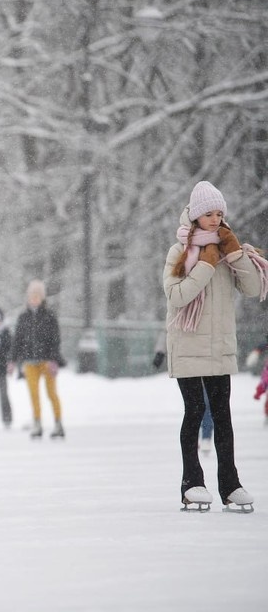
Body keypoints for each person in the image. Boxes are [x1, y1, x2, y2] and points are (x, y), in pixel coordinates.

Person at [163, 180, 268, 511]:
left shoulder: (227, 251)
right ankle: (191, 483)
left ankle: (230, 485)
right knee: (194, 412)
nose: (215, 218)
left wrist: (235, 253)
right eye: (208, 213)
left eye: (219, 213)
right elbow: (177, 295)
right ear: (195, 215)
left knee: (222, 415)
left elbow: (252, 289)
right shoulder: (180, 252)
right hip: (189, 344)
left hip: (219, 346)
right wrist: (207, 265)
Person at [9, 280, 66, 439]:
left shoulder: (49, 316)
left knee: (51, 393)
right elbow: (17, 341)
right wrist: (12, 360)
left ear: (42, 298)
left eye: (37, 296)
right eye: (31, 296)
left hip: (46, 361)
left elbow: (55, 339)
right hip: (30, 362)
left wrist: (53, 359)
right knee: (34, 394)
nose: (34, 299)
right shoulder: (23, 318)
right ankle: (37, 423)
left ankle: (58, 423)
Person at [154, 329, 213, 452]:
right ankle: (194, 439)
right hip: (187, 367)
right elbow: (168, 329)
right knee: (194, 408)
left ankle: (206, 437)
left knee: (206, 406)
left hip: (206, 364)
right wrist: (160, 352)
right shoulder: (179, 314)